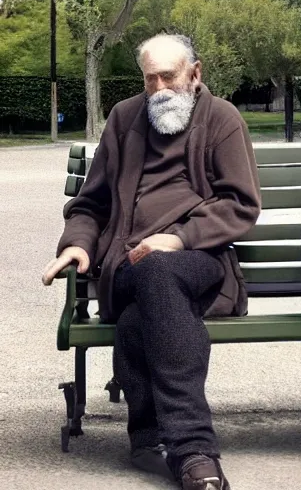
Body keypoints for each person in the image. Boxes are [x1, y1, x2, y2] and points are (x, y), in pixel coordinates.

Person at [42, 33, 261, 490]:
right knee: (149, 285)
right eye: (151, 78)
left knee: (153, 288)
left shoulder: (222, 119)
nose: (160, 87)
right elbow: (90, 205)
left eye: (170, 76)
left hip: (197, 261)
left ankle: (155, 439)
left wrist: (178, 239)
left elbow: (240, 204)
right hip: (125, 266)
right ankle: (193, 450)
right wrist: (77, 245)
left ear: (195, 74)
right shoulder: (124, 119)